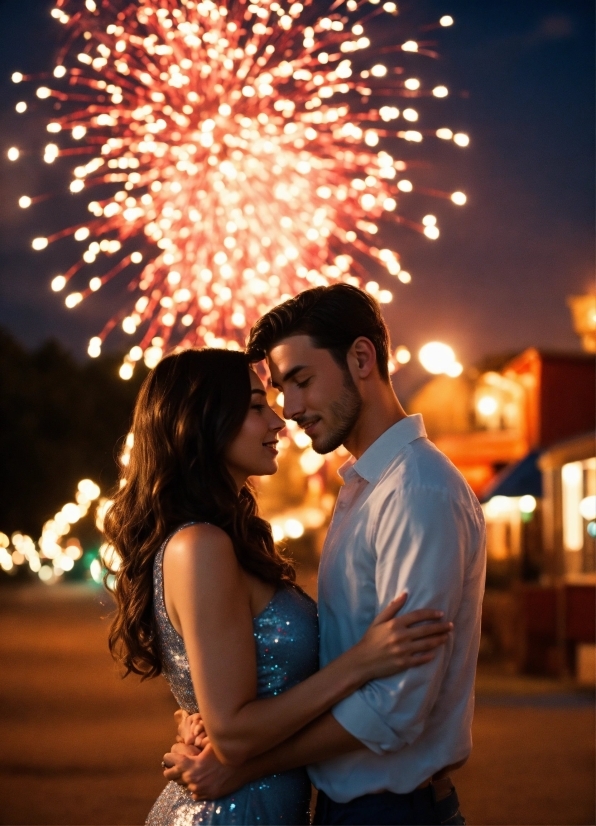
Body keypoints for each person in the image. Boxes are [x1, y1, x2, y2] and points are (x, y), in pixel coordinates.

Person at [163, 285, 486, 826]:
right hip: (347, 805)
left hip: (392, 809)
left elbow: (396, 707)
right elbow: (338, 660)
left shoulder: (415, 493)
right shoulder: (364, 487)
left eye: (302, 381)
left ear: (362, 358)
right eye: (280, 390)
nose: (289, 410)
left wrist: (244, 761)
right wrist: (211, 716)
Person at [104, 347, 453, 826]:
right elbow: (234, 734)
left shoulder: (222, 539)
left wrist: (197, 720)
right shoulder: (201, 546)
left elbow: (224, 702)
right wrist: (361, 662)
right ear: (200, 421)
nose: (279, 420)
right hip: (227, 813)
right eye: (255, 407)